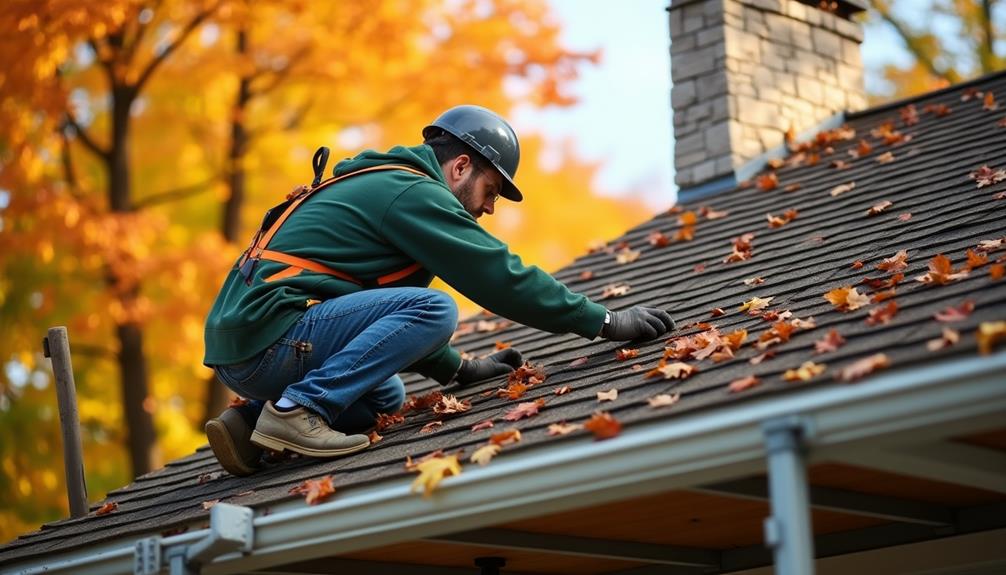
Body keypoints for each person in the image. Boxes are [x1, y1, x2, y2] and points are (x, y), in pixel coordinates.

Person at [203, 105, 676, 476]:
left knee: (383, 398)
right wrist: (604, 321)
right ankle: (297, 409)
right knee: (437, 308)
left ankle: (250, 423)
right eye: (491, 191)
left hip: (248, 345)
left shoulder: (389, 191)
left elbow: (379, 317)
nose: (490, 208)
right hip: (274, 335)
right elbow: (497, 274)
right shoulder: (413, 194)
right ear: (461, 167)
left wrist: (460, 369)